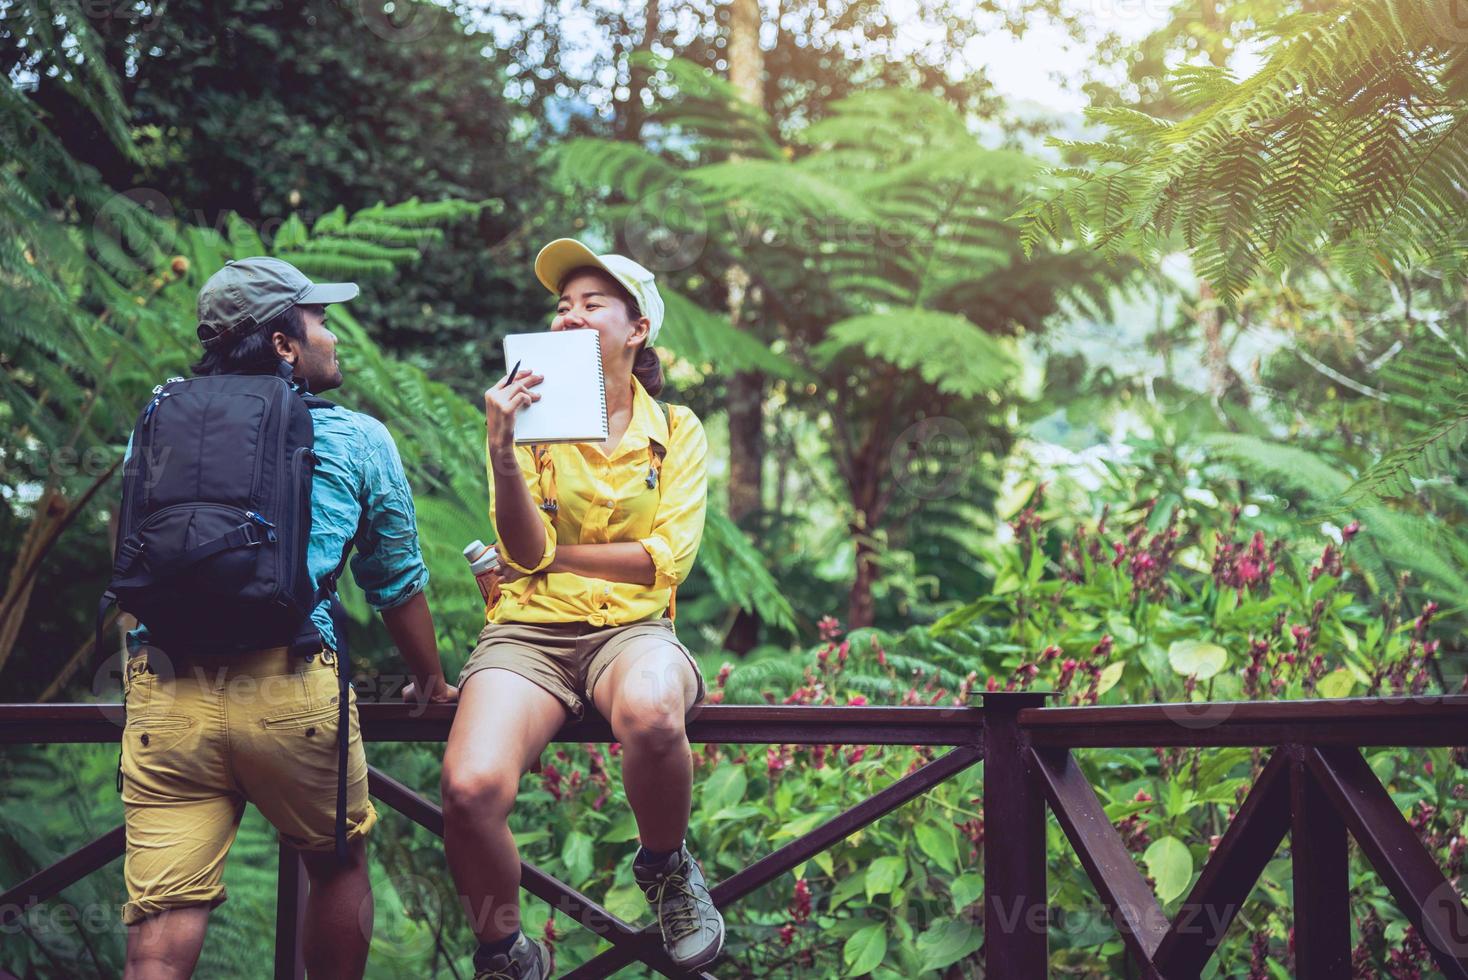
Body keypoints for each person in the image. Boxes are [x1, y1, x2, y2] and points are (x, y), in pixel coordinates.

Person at [119, 258, 457, 979]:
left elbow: (136, 556)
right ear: (282, 343)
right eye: (321, 321)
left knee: (165, 909)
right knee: (335, 865)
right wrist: (431, 683)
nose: (333, 337)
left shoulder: (156, 420)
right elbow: (395, 582)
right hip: (291, 687)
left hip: (166, 691)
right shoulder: (358, 438)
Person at [441, 239, 723, 979]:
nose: (569, 317)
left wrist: (551, 559)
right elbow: (520, 546)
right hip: (528, 635)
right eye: (562, 306)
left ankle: (665, 870)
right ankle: (504, 948)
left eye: (591, 304)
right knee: (469, 790)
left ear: (637, 330)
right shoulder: (525, 422)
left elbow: (668, 560)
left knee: (657, 711)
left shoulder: (678, 432)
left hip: (633, 631)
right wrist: (503, 448)